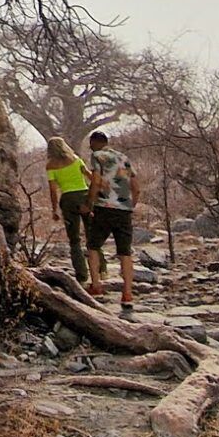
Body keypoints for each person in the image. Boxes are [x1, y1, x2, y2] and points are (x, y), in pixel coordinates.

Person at [84, 128, 140, 317]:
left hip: (104, 207)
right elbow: (136, 187)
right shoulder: (123, 157)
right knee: (125, 252)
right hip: (123, 210)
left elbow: (97, 182)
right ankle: (127, 293)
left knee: (93, 246)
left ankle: (96, 285)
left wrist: (89, 204)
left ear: (94, 142)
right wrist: (131, 205)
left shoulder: (97, 156)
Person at [42, 136, 92, 285]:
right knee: (92, 234)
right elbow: (89, 175)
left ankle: (82, 275)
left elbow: (53, 190)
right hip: (84, 196)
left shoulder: (51, 166)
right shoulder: (76, 159)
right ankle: (101, 270)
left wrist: (54, 209)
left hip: (68, 200)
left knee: (74, 239)